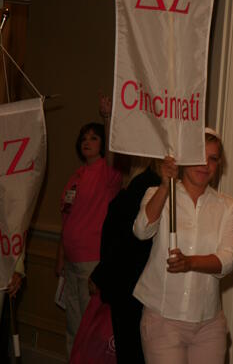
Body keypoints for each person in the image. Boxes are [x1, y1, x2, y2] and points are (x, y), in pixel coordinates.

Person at [133, 128, 233, 364]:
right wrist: (165, 185)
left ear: (218, 164)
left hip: (208, 325)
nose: (205, 164)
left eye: (212, 158)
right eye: (199, 156)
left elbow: (229, 259)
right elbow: (142, 230)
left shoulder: (228, 207)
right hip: (162, 320)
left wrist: (190, 262)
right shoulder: (156, 194)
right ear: (184, 159)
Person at [55, 95, 122, 356]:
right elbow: (66, 220)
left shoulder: (108, 172)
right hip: (71, 264)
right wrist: (59, 258)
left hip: (91, 263)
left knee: (90, 327)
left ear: (103, 143)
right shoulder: (76, 176)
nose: (87, 142)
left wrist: (107, 117)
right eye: (84, 138)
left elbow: (116, 153)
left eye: (94, 137)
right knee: (72, 326)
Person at [89, 159, 161, 363]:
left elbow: (126, 239)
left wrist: (100, 274)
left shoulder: (147, 183)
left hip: (132, 284)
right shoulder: (136, 181)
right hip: (125, 282)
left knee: (132, 352)